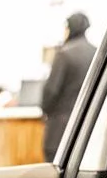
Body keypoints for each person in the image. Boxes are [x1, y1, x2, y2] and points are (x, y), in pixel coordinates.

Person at [40, 12, 95, 162]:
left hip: (60, 132)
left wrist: (44, 109)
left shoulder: (64, 54)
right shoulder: (96, 52)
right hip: (85, 130)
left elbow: (51, 91)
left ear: (70, 28)